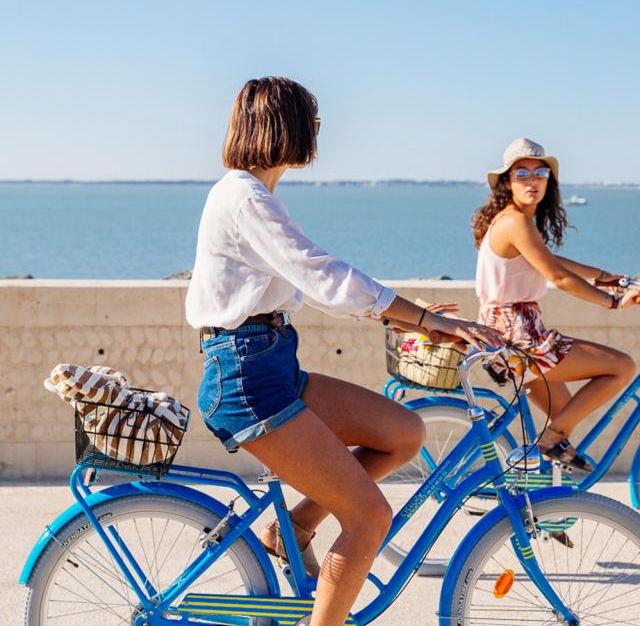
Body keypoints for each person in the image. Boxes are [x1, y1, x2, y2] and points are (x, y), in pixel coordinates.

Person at [186, 76, 503, 626]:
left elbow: (314, 287)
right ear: (285, 126)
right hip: (247, 376)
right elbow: (323, 274)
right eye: (313, 121)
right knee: (369, 518)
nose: (316, 132)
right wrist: (420, 317)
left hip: (270, 361)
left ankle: (294, 530)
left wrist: (414, 314)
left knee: (403, 433)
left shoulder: (253, 195)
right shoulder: (243, 197)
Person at [472, 137, 640, 471]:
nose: (532, 180)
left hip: (508, 332)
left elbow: (550, 260)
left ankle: (550, 519)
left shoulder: (512, 220)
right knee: (622, 367)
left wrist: (608, 276)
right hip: (520, 336)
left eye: (540, 172)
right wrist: (614, 303)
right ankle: (549, 443)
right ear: (507, 181)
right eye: (522, 173)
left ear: (549, 181)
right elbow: (558, 277)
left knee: (563, 430)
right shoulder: (515, 222)